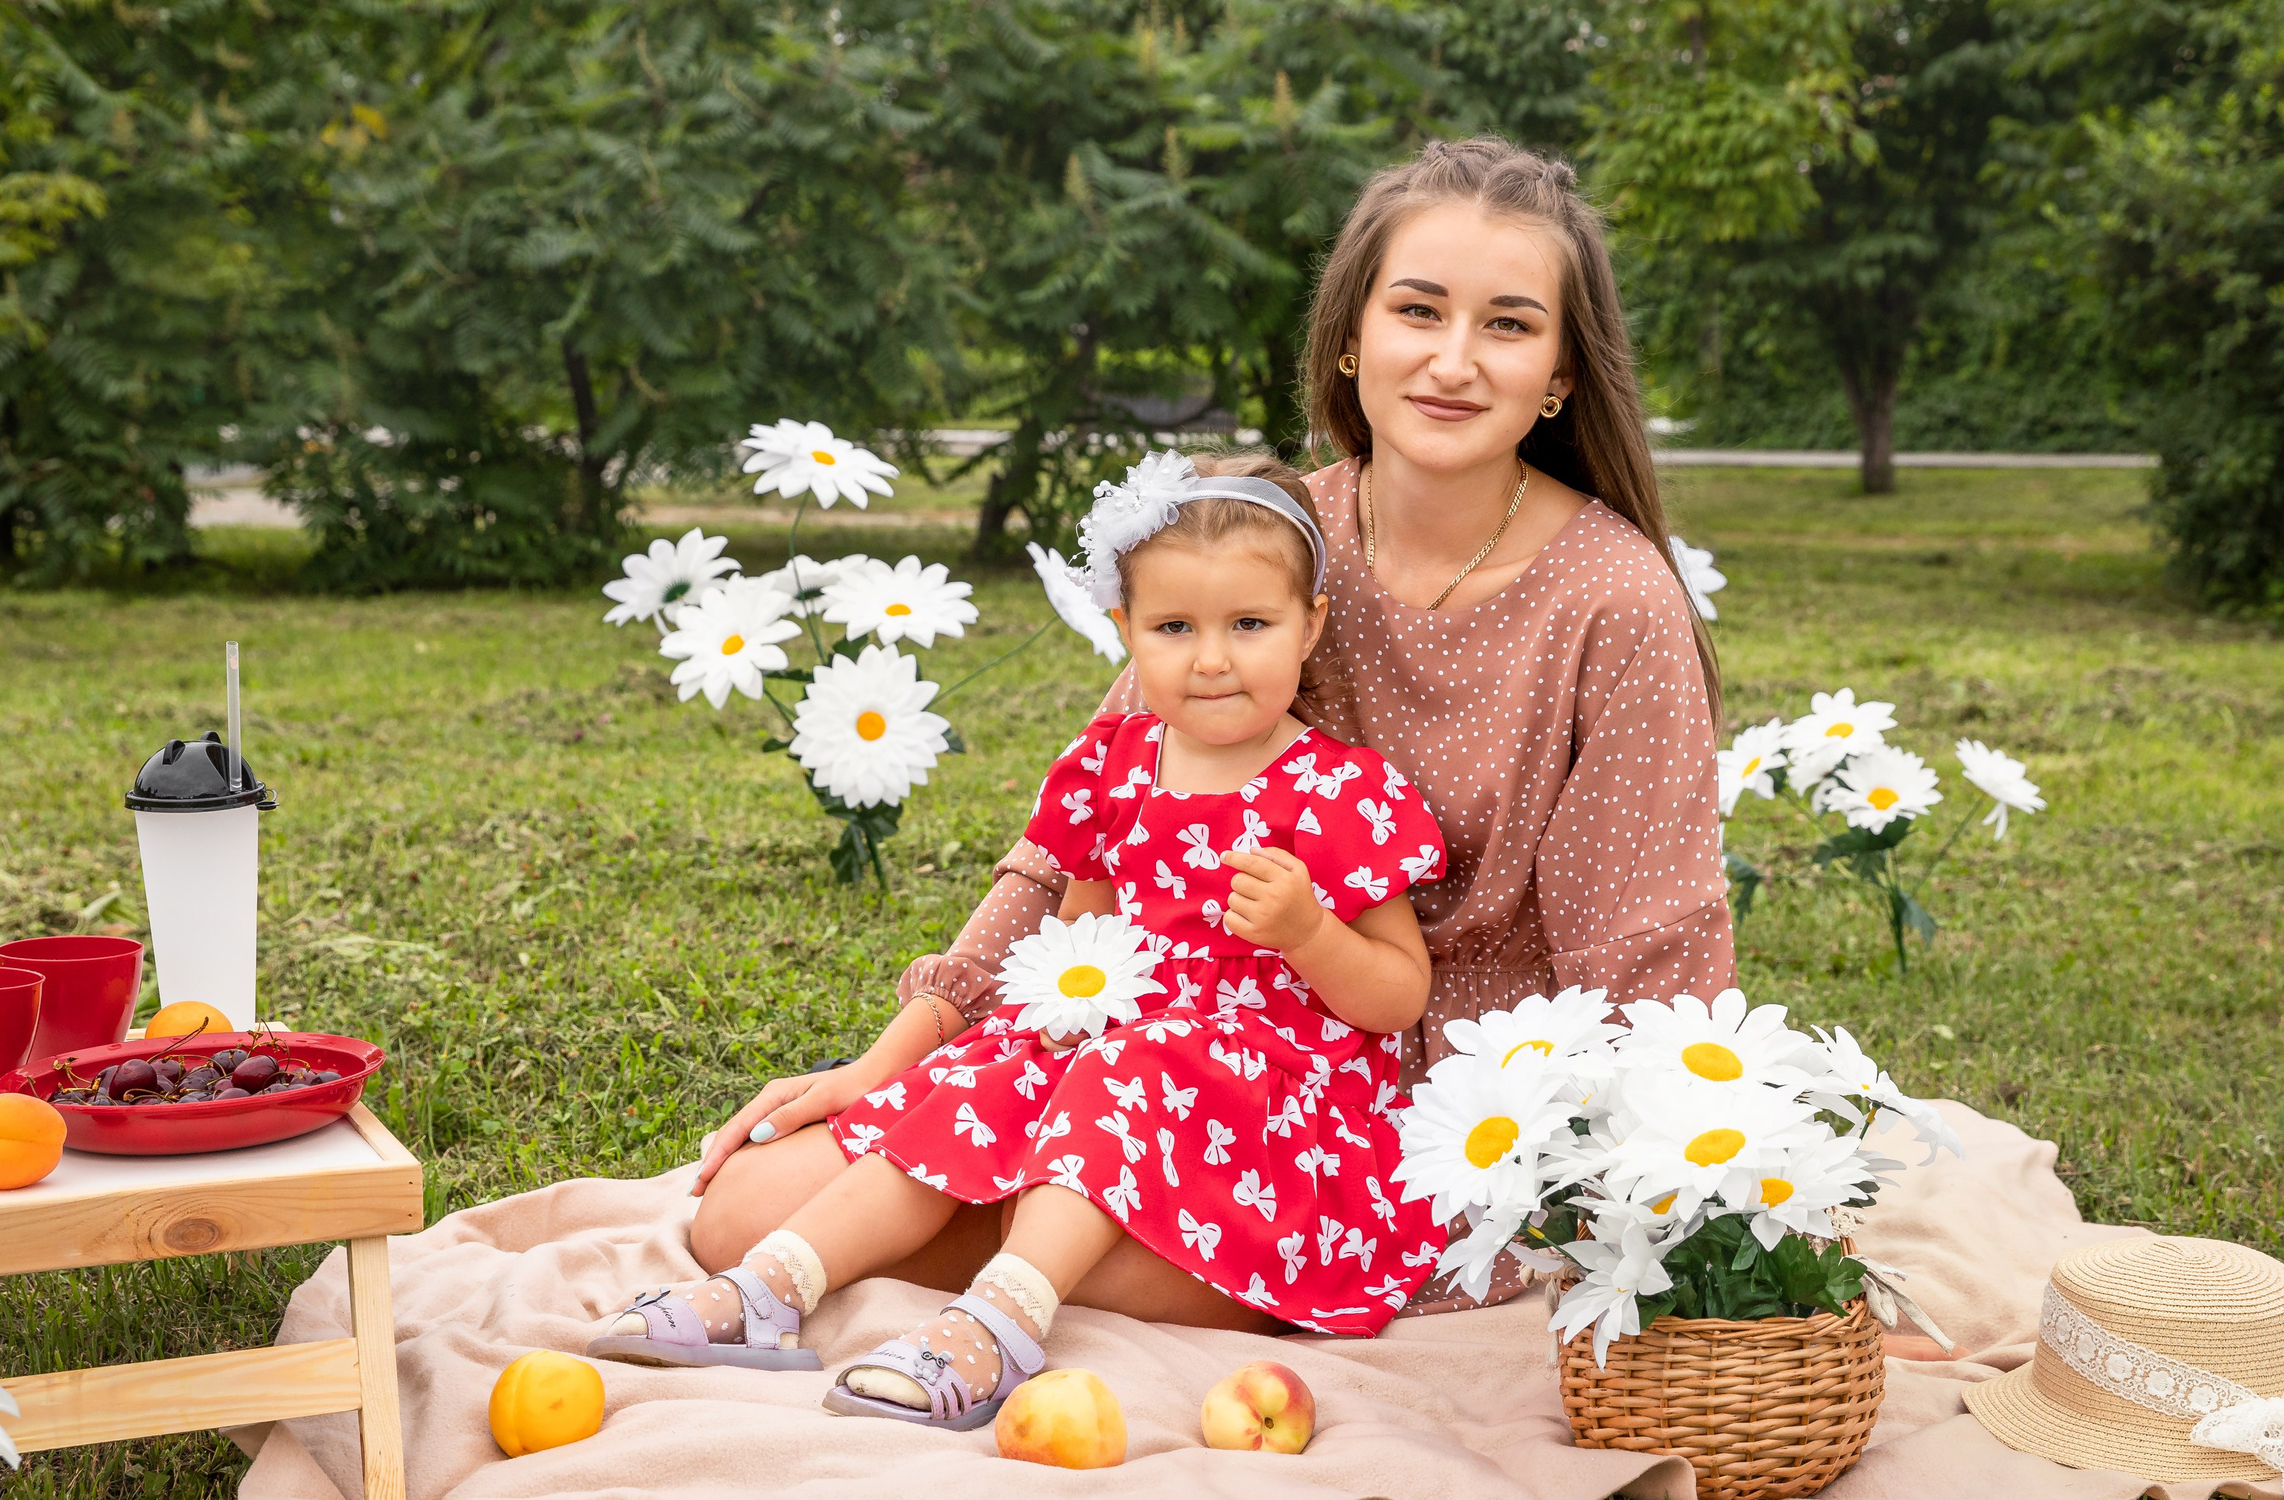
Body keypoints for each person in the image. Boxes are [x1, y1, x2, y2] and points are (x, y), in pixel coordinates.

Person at [685, 134, 1734, 1328]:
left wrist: (1696, 1188)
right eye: (1417, 310)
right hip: (1172, 1059)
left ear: (1557, 374)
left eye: (1506, 325)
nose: (1452, 360)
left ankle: (1052, 1247)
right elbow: (1077, 843)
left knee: (930, 1221)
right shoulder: (1262, 541)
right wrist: (900, 1049)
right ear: (1350, 336)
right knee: (743, 1210)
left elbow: (1649, 948)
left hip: (1429, 1111)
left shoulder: (1613, 599)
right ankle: (1037, 1236)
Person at [591, 455, 1450, 1428]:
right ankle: (770, 1290)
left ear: (1311, 627)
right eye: (1174, 628)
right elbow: (1074, 937)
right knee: (977, 1091)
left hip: (1256, 1078)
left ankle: (998, 1327)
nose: (1211, 659)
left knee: (1130, 1067)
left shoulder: (1342, 793)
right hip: (1117, 1035)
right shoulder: (1113, 770)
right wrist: (1042, 1021)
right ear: (1126, 634)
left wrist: (1308, 934)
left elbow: (1396, 996)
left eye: (1248, 625)